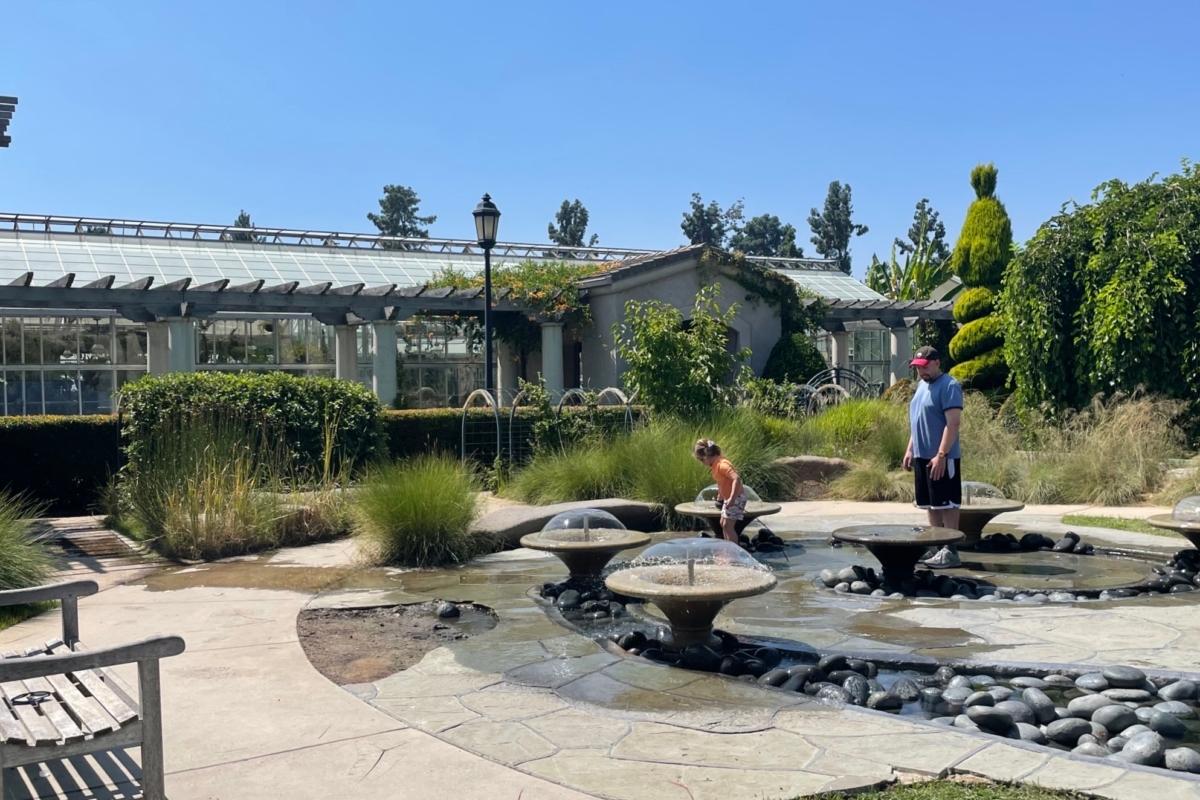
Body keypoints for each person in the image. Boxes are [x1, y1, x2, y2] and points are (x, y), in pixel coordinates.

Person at [901, 345, 964, 569]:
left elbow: (953, 424)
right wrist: (910, 449)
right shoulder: (921, 386)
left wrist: (941, 454)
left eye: (925, 367)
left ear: (937, 362)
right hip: (922, 455)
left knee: (947, 503)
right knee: (930, 504)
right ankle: (937, 546)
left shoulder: (949, 386)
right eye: (918, 368)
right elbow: (918, 420)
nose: (921, 372)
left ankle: (951, 550)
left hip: (942, 457)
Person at [693, 438, 745, 544]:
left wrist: (732, 498)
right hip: (729, 498)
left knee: (728, 525)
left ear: (707, 455)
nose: (702, 463)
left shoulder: (722, 465)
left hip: (736, 497)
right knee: (723, 523)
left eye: (702, 460)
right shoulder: (716, 465)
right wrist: (720, 496)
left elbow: (736, 479)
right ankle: (728, 548)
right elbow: (722, 482)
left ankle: (733, 552)